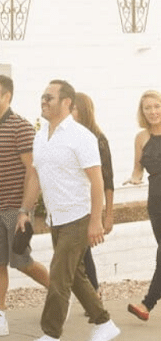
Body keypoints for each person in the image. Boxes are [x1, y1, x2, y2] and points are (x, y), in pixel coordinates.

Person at [18, 80, 119, 341]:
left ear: (67, 103)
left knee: (60, 276)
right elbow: (35, 176)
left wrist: (96, 220)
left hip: (79, 215)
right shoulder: (41, 136)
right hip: (56, 217)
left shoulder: (81, 136)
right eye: (42, 97)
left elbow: (97, 181)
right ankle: (104, 322)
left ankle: (51, 337)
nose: (43, 101)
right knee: (75, 276)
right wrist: (24, 211)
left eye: (49, 97)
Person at [0, 75, 50, 337]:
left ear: (7, 96)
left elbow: (32, 171)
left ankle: (58, 294)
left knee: (21, 262)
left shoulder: (21, 128)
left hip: (15, 208)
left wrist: (25, 210)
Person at [72, 92, 114, 298]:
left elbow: (108, 180)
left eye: (73, 108)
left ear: (82, 110)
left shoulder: (98, 139)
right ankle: (93, 294)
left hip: (90, 204)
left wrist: (108, 214)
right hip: (75, 202)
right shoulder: (70, 138)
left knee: (82, 251)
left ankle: (94, 294)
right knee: (81, 252)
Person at [124, 90, 161, 321]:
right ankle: (147, 304)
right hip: (156, 197)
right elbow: (138, 168)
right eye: (148, 108)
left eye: (156, 106)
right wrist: (134, 178)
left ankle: (147, 304)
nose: (153, 112)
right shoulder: (141, 137)